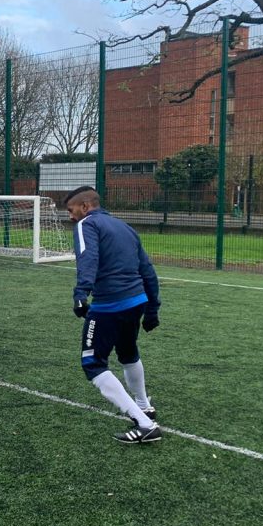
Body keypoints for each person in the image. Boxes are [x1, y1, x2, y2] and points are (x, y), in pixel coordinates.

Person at [65, 186, 162, 445]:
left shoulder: (87, 224)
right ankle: (144, 405)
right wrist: (152, 307)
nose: (70, 216)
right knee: (128, 351)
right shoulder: (125, 227)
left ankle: (144, 425)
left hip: (111, 305)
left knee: (93, 364)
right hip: (136, 302)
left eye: (71, 210)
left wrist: (80, 293)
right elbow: (148, 270)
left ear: (85, 207)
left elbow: (88, 258)